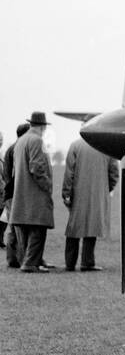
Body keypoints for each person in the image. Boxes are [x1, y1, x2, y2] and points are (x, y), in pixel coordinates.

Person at [62, 129, 119, 271]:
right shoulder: (107, 147)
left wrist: (66, 194)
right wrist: (106, 190)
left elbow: (69, 172)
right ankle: (87, 262)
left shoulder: (75, 145)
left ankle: (70, 263)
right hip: (98, 194)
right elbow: (114, 173)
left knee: (73, 228)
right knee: (92, 227)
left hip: (78, 194)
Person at [10, 112, 56, 273]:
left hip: (21, 195)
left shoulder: (21, 141)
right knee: (38, 230)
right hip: (35, 195)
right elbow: (36, 167)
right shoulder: (37, 140)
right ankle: (30, 263)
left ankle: (32, 261)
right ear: (43, 126)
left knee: (25, 230)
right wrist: (47, 185)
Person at [1, 122, 27, 268]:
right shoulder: (18, 148)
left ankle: (12, 259)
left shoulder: (11, 148)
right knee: (19, 228)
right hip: (15, 193)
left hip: (8, 193)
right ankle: (23, 259)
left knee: (12, 226)